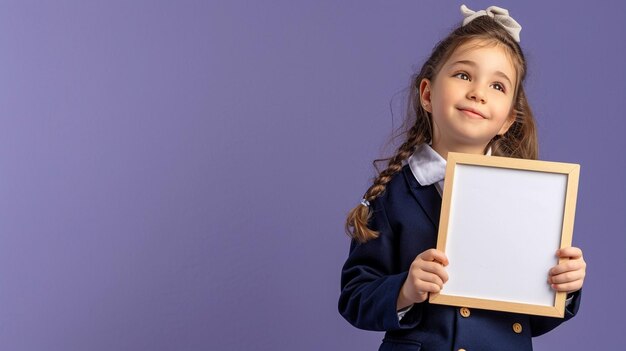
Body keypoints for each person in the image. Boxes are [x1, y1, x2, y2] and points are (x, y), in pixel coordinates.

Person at [338, 5, 586, 351]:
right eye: (464, 76)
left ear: (506, 121)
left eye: (498, 85)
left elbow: (533, 316)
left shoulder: (526, 199)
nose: (478, 92)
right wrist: (405, 289)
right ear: (427, 94)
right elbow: (354, 298)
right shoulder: (393, 193)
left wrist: (564, 287)